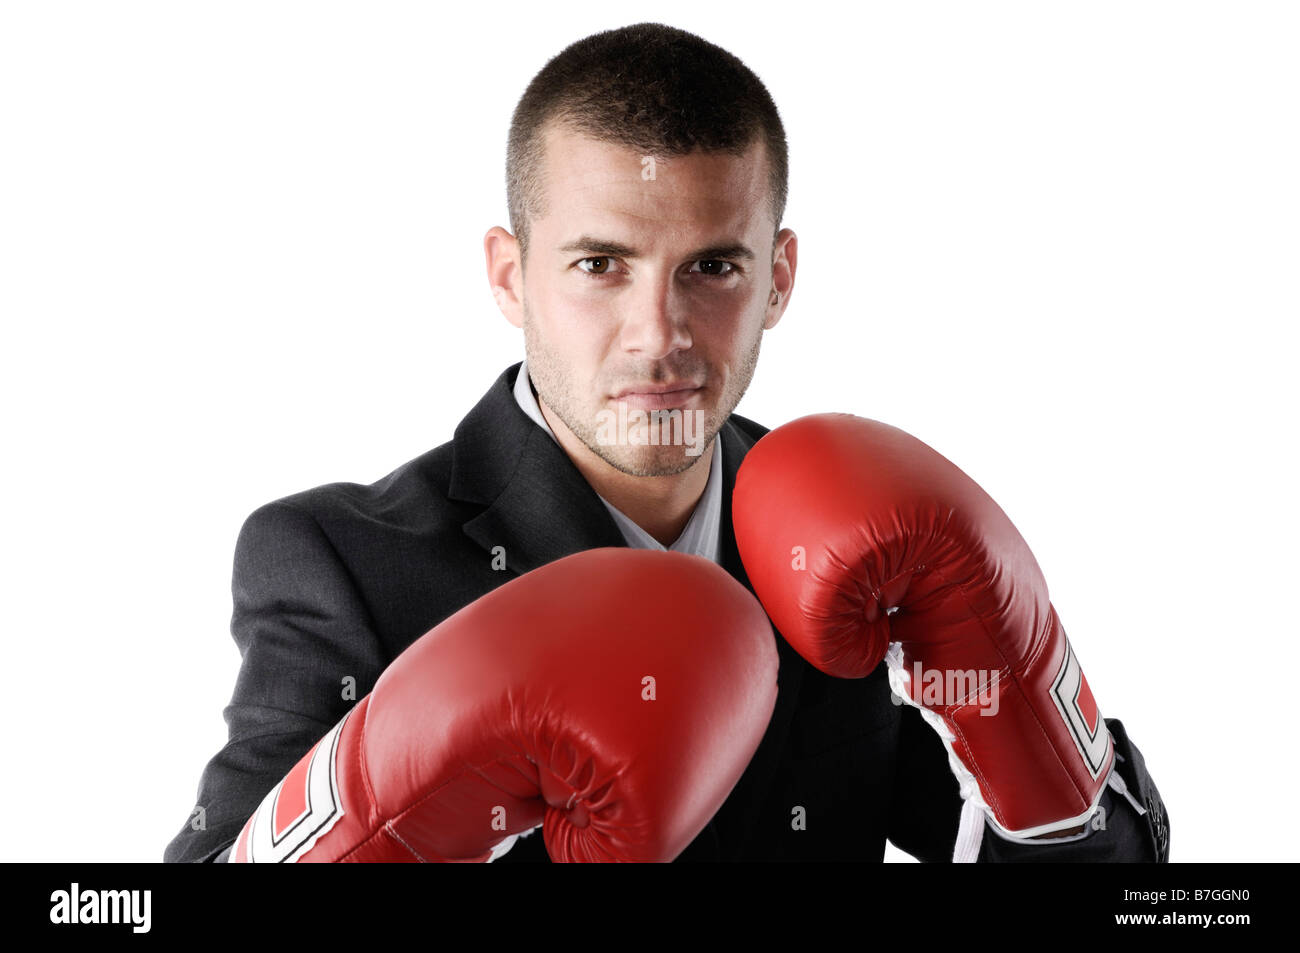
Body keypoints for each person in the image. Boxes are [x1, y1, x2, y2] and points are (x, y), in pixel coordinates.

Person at [164, 22, 1168, 863]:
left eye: (712, 267)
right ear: (510, 277)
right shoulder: (345, 557)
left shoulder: (861, 541)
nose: (661, 332)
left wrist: (1039, 729)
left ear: (778, 276)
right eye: (600, 262)